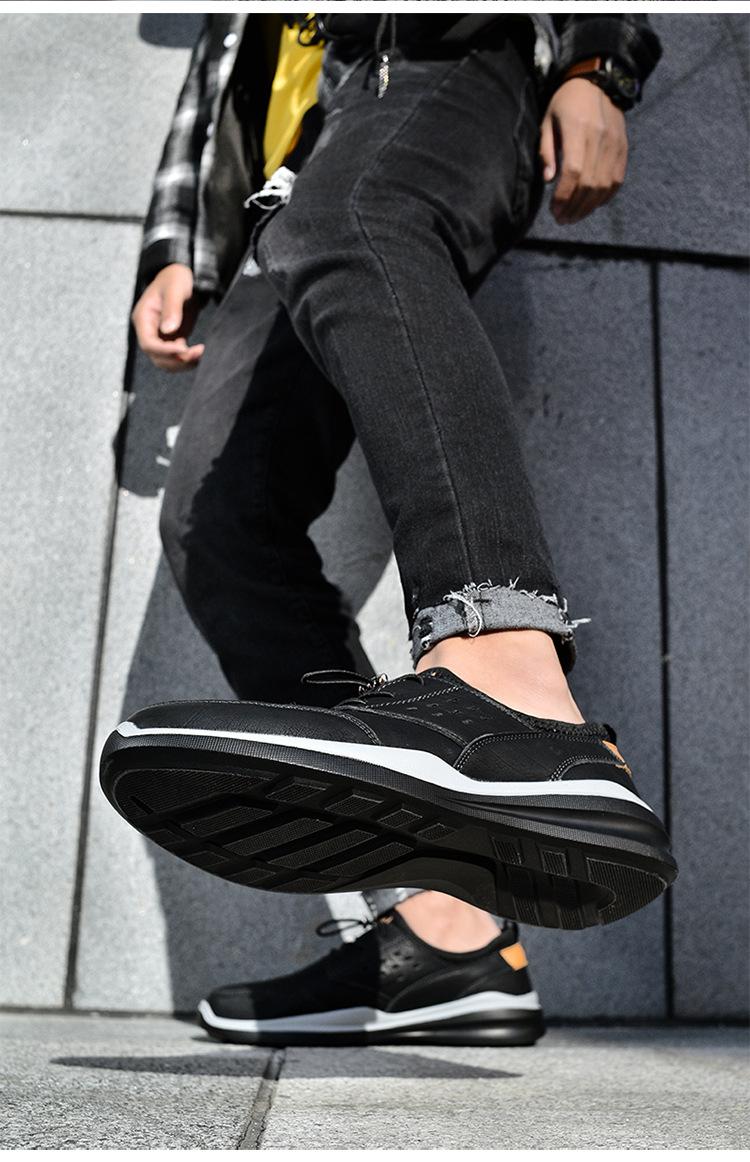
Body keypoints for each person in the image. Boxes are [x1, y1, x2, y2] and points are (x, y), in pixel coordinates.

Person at [104, 13, 675, 1048]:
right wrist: (182, 245)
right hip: (294, 159)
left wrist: (599, 59)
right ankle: (448, 930)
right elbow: (225, 69)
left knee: (360, 217)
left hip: (445, 51)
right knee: (219, 519)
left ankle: (510, 687)